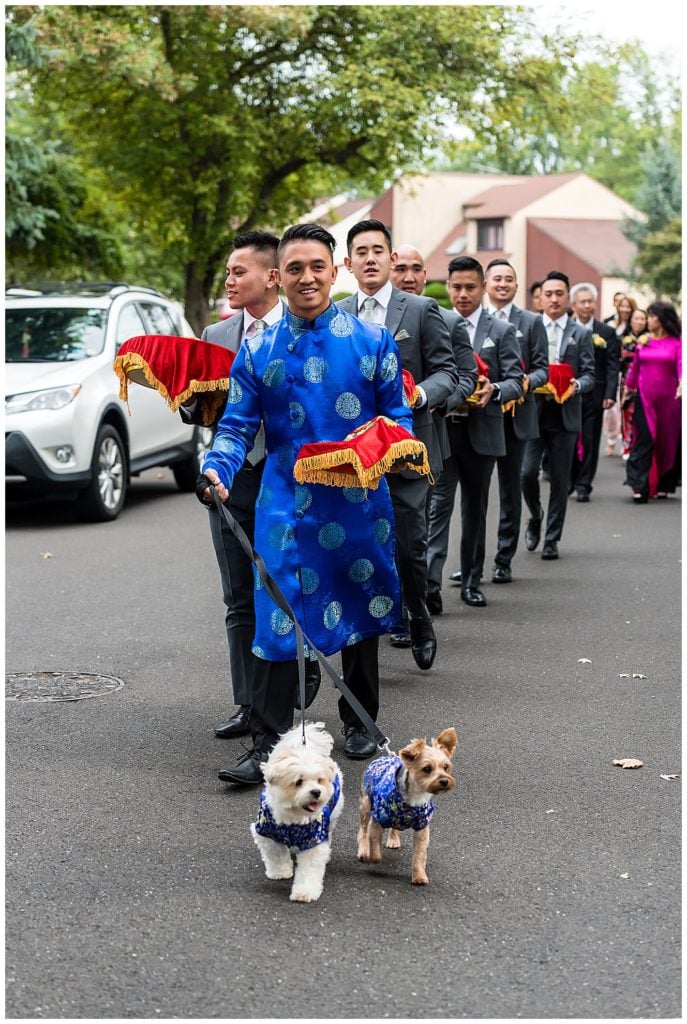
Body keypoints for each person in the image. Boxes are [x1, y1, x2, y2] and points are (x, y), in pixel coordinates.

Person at [200, 222, 416, 781]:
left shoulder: (372, 342)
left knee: (361, 607)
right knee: (274, 618)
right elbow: (236, 425)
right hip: (284, 508)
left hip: (356, 501)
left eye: (316, 266)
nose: (306, 277)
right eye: (294, 268)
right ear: (280, 276)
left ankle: (361, 722)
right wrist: (216, 468)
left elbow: (399, 418)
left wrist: (365, 450)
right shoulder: (256, 349)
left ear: (334, 270)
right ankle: (269, 742)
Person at [181, 231, 319, 745]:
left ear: (271, 276)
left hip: (287, 477)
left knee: (287, 587)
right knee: (239, 595)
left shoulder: (302, 328)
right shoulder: (215, 335)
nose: (230, 281)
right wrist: (193, 400)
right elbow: (196, 411)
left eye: (239, 272)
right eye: (227, 274)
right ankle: (248, 702)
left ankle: (298, 668)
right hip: (230, 475)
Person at [338, 220, 458, 669]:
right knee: (361, 546)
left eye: (378, 251)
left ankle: (419, 615)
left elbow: (448, 372)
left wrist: (420, 394)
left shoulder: (422, 310)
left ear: (391, 259)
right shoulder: (337, 313)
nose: (371, 259)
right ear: (348, 264)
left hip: (408, 446)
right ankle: (367, 629)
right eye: (361, 252)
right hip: (355, 453)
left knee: (408, 546)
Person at [426, 256, 522, 607]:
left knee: (475, 508)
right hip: (442, 430)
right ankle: (430, 586)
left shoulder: (501, 330)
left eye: (470, 287)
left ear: (482, 288)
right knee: (437, 507)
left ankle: (471, 581)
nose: (463, 294)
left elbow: (517, 379)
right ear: (447, 287)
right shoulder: (435, 322)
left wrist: (494, 390)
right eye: (456, 287)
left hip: (483, 430)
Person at [521, 271, 595, 560]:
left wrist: (575, 385)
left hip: (565, 414)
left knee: (561, 480)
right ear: (540, 298)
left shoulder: (582, 333)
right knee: (526, 473)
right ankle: (536, 516)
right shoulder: (530, 327)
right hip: (533, 413)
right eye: (548, 294)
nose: (553, 299)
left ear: (568, 298)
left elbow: (590, 375)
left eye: (559, 294)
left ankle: (552, 538)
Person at [483, 259, 548, 582]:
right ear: (486, 284)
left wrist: (524, 382)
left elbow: (542, 369)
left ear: (516, 285)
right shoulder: (472, 321)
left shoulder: (532, 322)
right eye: (497, 278)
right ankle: (471, 566)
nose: (503, 284)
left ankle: (503, 559)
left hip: (515, 417)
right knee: (476, 495)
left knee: (513, 487)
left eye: (509, 279)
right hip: (480, 417)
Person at [623, 301, 682, 502]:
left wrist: (682, 383)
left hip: (670, 401)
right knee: (645, 439)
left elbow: (682, 366)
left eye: (652, 316)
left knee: (667, 441)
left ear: (663, 319)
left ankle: (665, 484)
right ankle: (639, 485)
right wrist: (626, 389)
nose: (647, 320)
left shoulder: (677, 343)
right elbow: (635, 369)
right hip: (645, 399)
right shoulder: (643, 342)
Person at [568, 282, 620, 501]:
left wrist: (609, 394)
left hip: (595, 393)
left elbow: (612, 366)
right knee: (569, 439)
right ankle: (570, 478)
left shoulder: (606, 332)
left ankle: (583, 484)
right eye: (583, 302)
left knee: (590, 439)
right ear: (574, 304)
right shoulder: (566, 329)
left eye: (591, 301)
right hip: (568, 393)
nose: (587, 306)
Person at [614, 308, 649, 458]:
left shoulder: (651, 339)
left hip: (645, 379)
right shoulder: (622, 337)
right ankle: (627, 445)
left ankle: (639, 444)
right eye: (636, 318)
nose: (639, 322)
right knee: (626, 410)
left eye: (643, 319)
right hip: (626, 380)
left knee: (641, 412)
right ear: (631, 320)